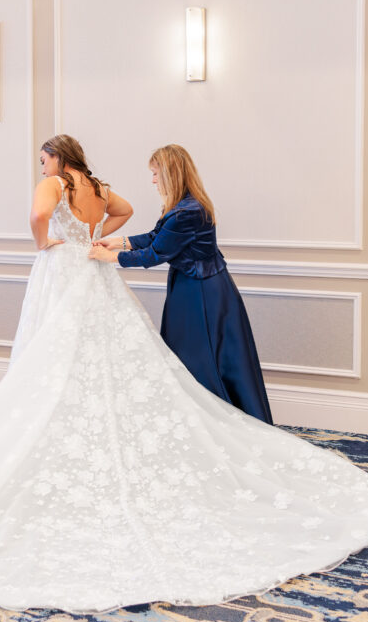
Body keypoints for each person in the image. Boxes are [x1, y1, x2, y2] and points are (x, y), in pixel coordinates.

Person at [0, 134, 368, 614]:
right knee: (115, 357)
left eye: (43, 160)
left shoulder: (59, 184)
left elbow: (39, 216)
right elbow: (128, 219)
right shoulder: (94, 187)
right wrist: (102, 242)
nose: (40, 169)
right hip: (95, 272)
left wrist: (48, 245)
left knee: (57, 356)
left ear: (55, 158)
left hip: (70, 272)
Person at [90, 144, 272, 425]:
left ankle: (214, 421)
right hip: (194, 286)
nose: (152, 180)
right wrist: (120, 241)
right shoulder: (184, 205)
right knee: (196, 355)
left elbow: (155, 254)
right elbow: (157, 236)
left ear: (170, 173)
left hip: (201, 293)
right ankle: (199, 420)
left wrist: (110, 256)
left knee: (201, 358)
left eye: (155, 173)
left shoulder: (187, 211)